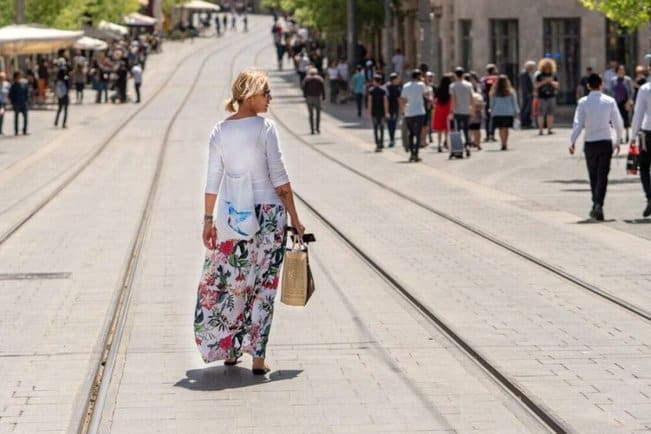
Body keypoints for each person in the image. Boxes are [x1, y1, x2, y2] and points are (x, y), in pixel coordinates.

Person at [196, 69, 304, 374]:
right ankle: (257, 356)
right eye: (266, 93)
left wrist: (208, 220)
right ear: (250, 95)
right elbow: (279, 179)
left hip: (234, 217)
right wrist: (296, 219)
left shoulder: (219, 131)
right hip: (269, 216)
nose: (270, 98)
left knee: (235, 282)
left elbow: (212, 180)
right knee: (264, 285)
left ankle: (231, 349)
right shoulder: (265, 128)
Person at [569, 73, 623, 221]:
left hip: (590, 143)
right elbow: (618, 123)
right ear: (601, 85)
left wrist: (572, 141)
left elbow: (578, 123)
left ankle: (596, 203)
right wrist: (618, 141)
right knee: (603, 175)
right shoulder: (609, 101)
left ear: (588, 86)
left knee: (593, 175)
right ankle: (598, 204)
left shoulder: (583, 102)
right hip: (605, 142)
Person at [630, 58, 651, 217]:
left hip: (648, 132)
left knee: (644, 167)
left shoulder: (645, 89)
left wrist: (632, 136)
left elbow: (638, 114)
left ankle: (650, 197)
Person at [400, 69, 427, 162]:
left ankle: (412, 154)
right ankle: (416, 154)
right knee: (418, 134)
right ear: (419, 76)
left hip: (409, 112)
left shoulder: (406, 86)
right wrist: (423, 81)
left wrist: (403, 110)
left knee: (411, 133)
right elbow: (425, 93)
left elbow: (403, 99)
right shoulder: (421, 85)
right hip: (419, 111)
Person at [489, 75, 519, 151]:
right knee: (506, 128)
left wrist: (491, 110)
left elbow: (492, 103)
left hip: (497, 112)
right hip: (508, 112)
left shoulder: (494, 92)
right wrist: (516, 111)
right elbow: (514, 102)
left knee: (500, 128)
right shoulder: (511, 91)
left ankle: (502, 143)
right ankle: (505, 143)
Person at [448, 67, 473, 157]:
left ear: (455, 75)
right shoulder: (469, 85)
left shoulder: (452, 86)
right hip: (466, 110)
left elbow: (453, 99)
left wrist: (451, 110)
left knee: (457, 130)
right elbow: (471, 97)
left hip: (457, 111)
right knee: (466, 129)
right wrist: (472, 109)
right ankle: (467, 146)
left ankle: (459, 149)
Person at [534, 57, 559, 135]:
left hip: (551, 96)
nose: (547, 68)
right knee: (541, 114)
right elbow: (536, 85)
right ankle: (540, 130)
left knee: (550, 113)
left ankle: (549, 129)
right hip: (541, 97)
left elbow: (557, 85)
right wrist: (544, 82)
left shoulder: (553, 75)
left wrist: (551, 82)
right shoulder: (539, 75)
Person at [611, 65, 634, 142]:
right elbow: (611, 91)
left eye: (623, 70)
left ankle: (627, 135)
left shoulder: (628, 79)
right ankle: (619, 136)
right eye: (620, 70)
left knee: (626, 119)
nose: (621, 71)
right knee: (618, 120)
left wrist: (629, 101)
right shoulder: (613, 80)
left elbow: (631, 91)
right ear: (617, 71)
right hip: (616, 102)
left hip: (625, 102)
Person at [367, 74, 388, 152]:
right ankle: (381, 143)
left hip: (374, 112)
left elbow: (370, 102)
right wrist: (386, 112)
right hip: (382, 112)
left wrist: (369, 112)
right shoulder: (383, 91)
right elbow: (385, 102)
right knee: (382, 128)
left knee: (375, 128)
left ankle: (377, 143)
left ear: (375, 81)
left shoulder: (371, 91)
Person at [432, 74, 452, 152]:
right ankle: (446, 142)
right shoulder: (450, 89)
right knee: (447, 127)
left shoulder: (438, 89)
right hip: (447, 109)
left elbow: (434, 99)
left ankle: (439, 145)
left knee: (439, 129)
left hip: (439, 109)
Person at [302, 67, 325, 134]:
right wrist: (324, 97)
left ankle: (312, 129)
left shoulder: (307, 80)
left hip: (309, 98)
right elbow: (322, 89)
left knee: (311, 115)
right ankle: (317, 129)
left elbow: (304, 89)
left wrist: (305, 96)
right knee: (318, 114)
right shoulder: (319, 79)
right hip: (317, 98)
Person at [480, 64, 499, 142]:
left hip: (486, 100)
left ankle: (487, 135)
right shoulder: (495, 78)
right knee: (493, 117)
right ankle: (492, 135)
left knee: (487, 118)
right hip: (495, 100)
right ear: (493, 70)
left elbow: (482, 89)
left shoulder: (483, 79)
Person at [8, 71, 29, 136]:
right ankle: (16, 131)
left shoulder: (24, 83)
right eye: (18, 75)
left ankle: (24, 130)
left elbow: (26, 92)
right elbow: (11, 94)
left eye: (20, 75)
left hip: (23, 103)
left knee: (25, 117)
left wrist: (26, 100)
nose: (19, 76)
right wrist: (13, 102)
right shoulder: (13, 85)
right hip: (16, 103)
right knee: (16, 118)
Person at [386, 72, 402, 148]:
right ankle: (392, 139)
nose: (399, 80)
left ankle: (391, 139)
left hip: (388, 109)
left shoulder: (387, 87)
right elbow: (399, 100)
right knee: (393, 125)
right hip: (394, 109)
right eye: (397, 79)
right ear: (394, 80)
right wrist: (402, 109)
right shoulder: (397, 88)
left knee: (390, 125)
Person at [519, 61, 536, 128]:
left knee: (528, 109)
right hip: (527, 94)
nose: (533, 68)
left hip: (529, 94)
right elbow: (524, 85)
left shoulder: (527, 73)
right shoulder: (524, 74)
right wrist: (528, 93)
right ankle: (524, 123)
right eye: (532, 67)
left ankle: (528, 122)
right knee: (526, 108)